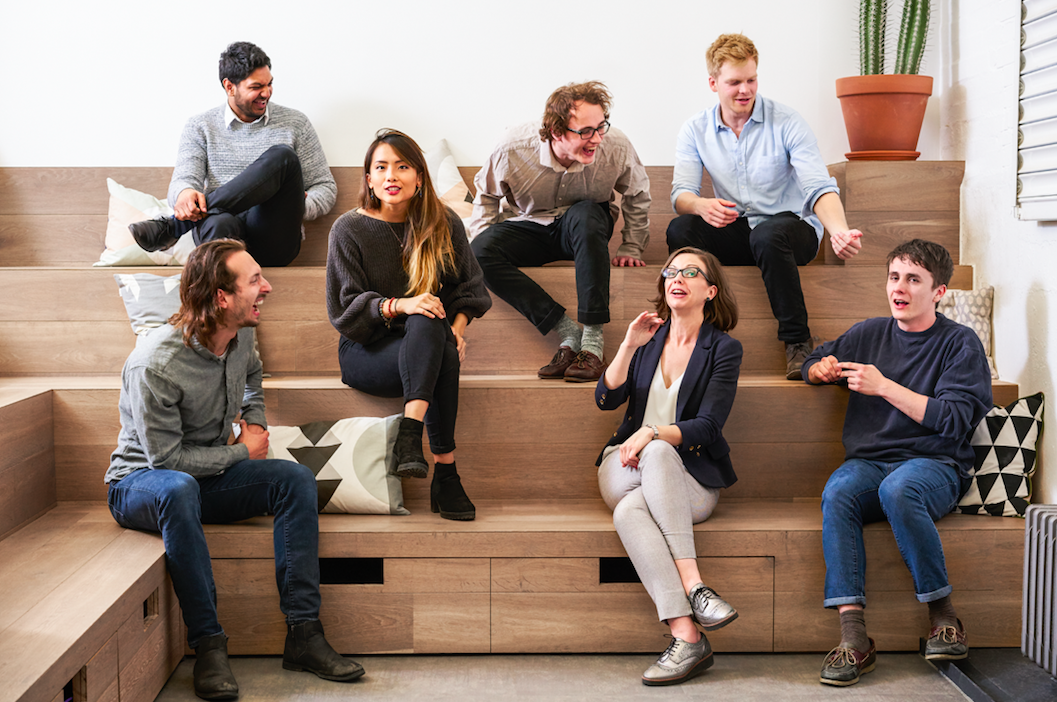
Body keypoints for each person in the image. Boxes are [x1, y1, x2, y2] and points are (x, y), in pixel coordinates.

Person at [105, 239, 363, 700]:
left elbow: (252, 378)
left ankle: (304, 634)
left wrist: (257, 422)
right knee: (178, 488)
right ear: (221, 297)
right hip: (141, 484)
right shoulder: (154, 364)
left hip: (203, 478)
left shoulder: (240, 335)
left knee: (296, 480)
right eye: (254, 281)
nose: (267, 287)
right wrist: (245, 452)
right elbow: (167, 462)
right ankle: (208, 645)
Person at [802, 239, 992, 686]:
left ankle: (944, 619)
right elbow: (812, 359)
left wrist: (885, 386)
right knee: (839, 491)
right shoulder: (867, 333)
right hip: (870, 462)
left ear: (938, 291)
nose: (899, 288)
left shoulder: (960, 343)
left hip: (936, 465)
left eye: (913, 279)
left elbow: (953, 419)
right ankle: (854, 639)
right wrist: (819, 369)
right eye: (894, 277)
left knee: (899, 488)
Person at [666, 33, 864, 380]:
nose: (745, 90)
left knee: (768, 236)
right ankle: (698, 336)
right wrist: (701, 205)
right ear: (713, 83)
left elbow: (819, 185)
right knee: (680, 230)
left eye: (751, 80)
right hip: (741, 228)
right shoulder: (695, 129)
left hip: (791, 231)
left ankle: (798, 343)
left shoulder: (786, 121)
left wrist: (839, 232)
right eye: (734, 82)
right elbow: (681, 193)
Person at [595, 246, 743, 686]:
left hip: (689, 481)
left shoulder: (724, 349)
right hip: (622, 467)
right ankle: (696, 589)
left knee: (633, 504)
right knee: (651, 455)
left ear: (710, 290)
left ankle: (686, 636)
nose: (677, 277)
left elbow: (709, 427)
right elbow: (606, 399)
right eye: (671, 271)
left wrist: (653, 433)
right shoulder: (648, 339)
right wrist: (626, 345)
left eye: (690, 272)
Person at [327, 129, 491, 521]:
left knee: (433, 324)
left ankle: (411, 436)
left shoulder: (442, 223)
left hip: (427, 345)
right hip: (365, 352)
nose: (391, 176)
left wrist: (458, 329)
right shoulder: (348, 229)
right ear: (368, 178)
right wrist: (400, 305)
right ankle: (445, 474)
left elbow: (469, 287)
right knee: (426, 318)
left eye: (402, 167)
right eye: (381, 167)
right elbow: (345, 311)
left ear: (420, 176)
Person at [470, 81, 651, 383]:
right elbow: (486, 196)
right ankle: (568, 332)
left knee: (587, 212)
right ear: (556, 132)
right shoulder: (511, 147)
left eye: (601, 126)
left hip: (587, 228)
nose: (596, 139)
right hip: (530, 225)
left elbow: (638, 193)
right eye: (585, 132)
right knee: (477, 252)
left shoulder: (615, 146)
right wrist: (487, 245)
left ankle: (592, 344)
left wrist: (631, 246)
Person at [129, 41, 336, 267]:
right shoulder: (201, 126)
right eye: (256, 87)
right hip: (221, 231)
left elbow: (325, 188)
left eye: (270, 84)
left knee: (282, 157)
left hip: (273, 238)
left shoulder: (295, 123)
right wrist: (185, 194)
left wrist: (296, 203)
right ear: (229, 87)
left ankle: (175, 227)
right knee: (219, 224)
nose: (266, 93)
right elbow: (184, 180)